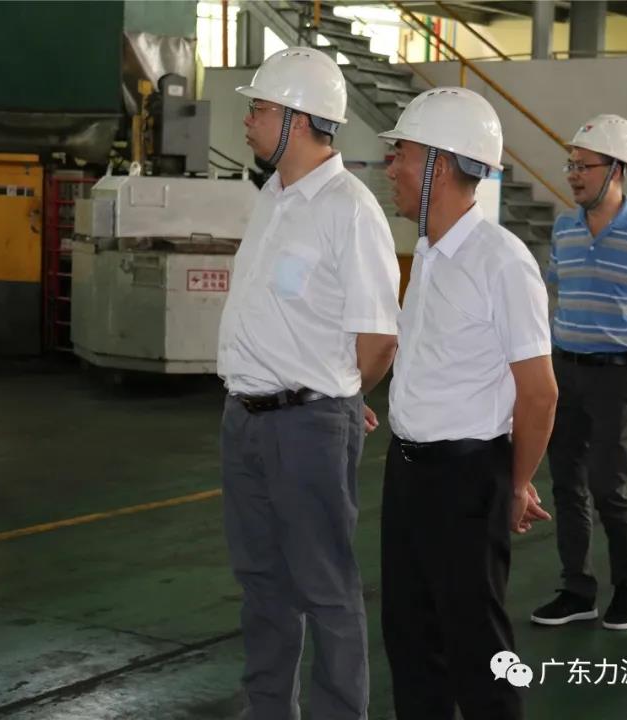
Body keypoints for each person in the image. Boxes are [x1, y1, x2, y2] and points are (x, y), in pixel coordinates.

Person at [217, 47, 401, 720]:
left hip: (307, 426)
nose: (247, 121)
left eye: (259, 109)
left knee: (324, 587)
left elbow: (379, 338)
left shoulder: (349, 210)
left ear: (297, 119)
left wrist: (341, 398)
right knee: (262, 584)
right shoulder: (272, 196)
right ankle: (270, 710)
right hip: (245, 418)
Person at [379, 86, 558, 720]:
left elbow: (539, 392)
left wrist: (516, 482)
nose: (391, 168)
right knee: (410, 640)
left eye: (402, 154)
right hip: (406, 472)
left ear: (438, 163)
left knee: (479, 652)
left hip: (465, 480)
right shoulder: (429, 254)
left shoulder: (501, 262)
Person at [531, 114, 627, 632]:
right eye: (570, 165)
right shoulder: (565, 227)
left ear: (616, 169)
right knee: (567, 483)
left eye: (583, 166)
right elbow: (558, 287)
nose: (573, 175)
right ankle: (577, 589)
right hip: (565, 367)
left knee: (609, 484)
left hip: (617, 374)